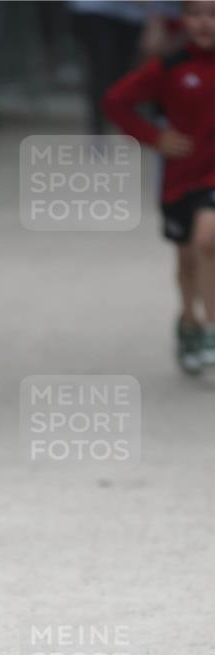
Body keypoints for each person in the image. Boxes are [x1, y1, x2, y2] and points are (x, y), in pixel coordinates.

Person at [103, 0, 215, 374]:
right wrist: (154, 136)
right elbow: (116, 101)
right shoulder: (170, 67)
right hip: (180, 178)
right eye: (196, 14)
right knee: (186, 259)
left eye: (212, 14)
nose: (204, 23)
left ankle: (212, 329)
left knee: (207, 239)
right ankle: (189, 322)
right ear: (183, 19)